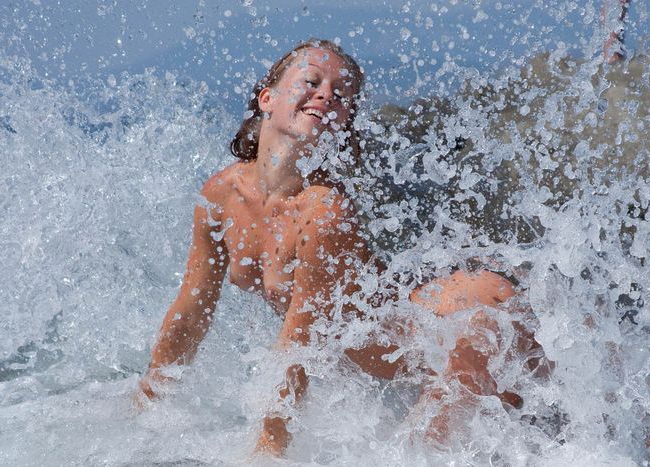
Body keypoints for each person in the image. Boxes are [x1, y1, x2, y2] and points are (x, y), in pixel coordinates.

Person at [135, 39, 538, 457]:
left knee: (432, 454)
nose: (327, 94)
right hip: (432, 336)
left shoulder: (323, 211)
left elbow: (299, 346)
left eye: (342, 94)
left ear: (343, 123)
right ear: (267, 98)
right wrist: (146, 404)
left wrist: (267, 452)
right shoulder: (220, 197)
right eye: (311, 81)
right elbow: (191, 313)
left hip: (473, 323)